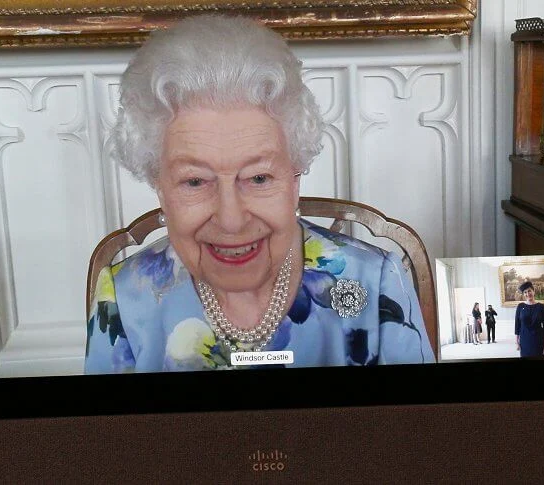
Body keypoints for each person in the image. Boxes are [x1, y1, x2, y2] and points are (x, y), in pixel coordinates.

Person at [84, 15, 435, 373]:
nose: (232, 221)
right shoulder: (124, 302)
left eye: (258, 178)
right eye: (195, 182)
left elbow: (419, 427)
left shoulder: (374, 284)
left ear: (294, 179)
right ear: (159, 186)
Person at [514, 281, 544, 357]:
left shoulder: (541, 307)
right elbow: (517, 326)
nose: (528, 294)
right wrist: (517, 342)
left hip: (539, 340)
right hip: (525, 340)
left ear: (533, 291)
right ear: (523, 294)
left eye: (529, 291)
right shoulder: (520, 306)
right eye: (525, 292)